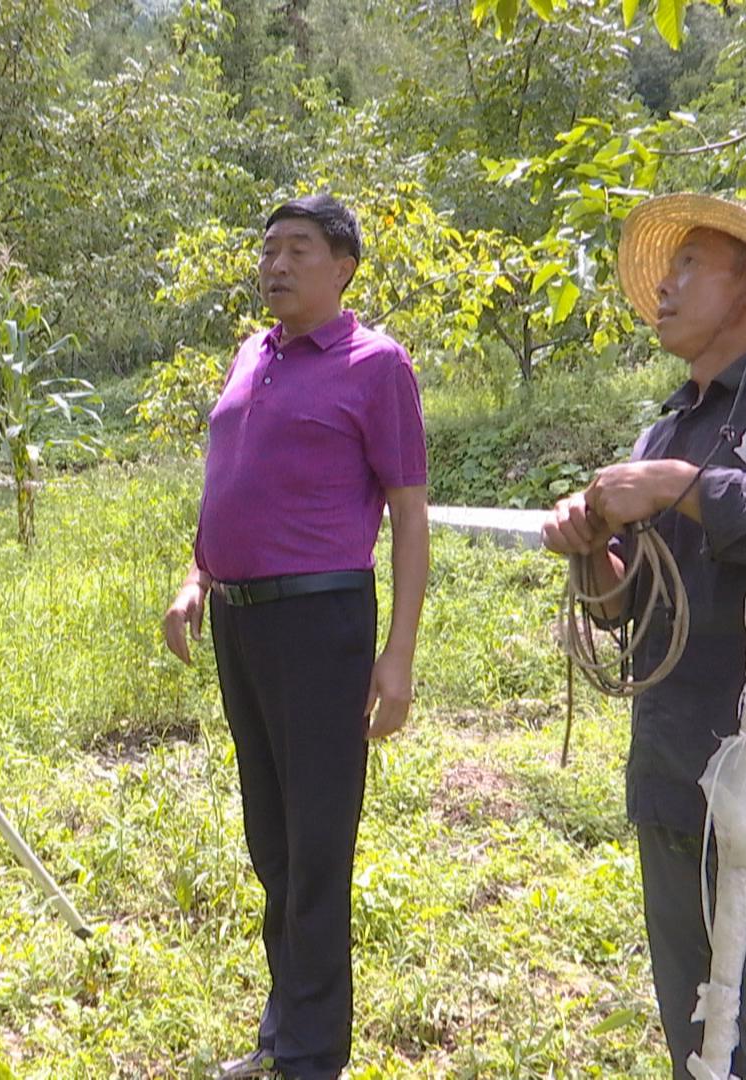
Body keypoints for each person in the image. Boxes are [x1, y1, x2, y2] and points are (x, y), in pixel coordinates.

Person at [541, 193, 746, 1079]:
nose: (665, 283)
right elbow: (634, 617)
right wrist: (594, 557)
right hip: (673, 775)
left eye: (691, 264)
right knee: (697, 1037)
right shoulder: (667, 427)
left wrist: (684, 487)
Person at [161, 194, 430, 1080]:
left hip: (322, 624)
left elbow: (409, 517)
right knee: (271, 839)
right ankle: (286, 1027)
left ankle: (312, 1055)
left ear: (344, 266)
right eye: (268, 250)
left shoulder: (375, 364)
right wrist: (196, 578)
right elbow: (230, 481)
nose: (275, 265)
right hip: (241, 622)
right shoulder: (252, 355)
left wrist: (398, 653)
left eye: (298, 250)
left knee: (317, 842)